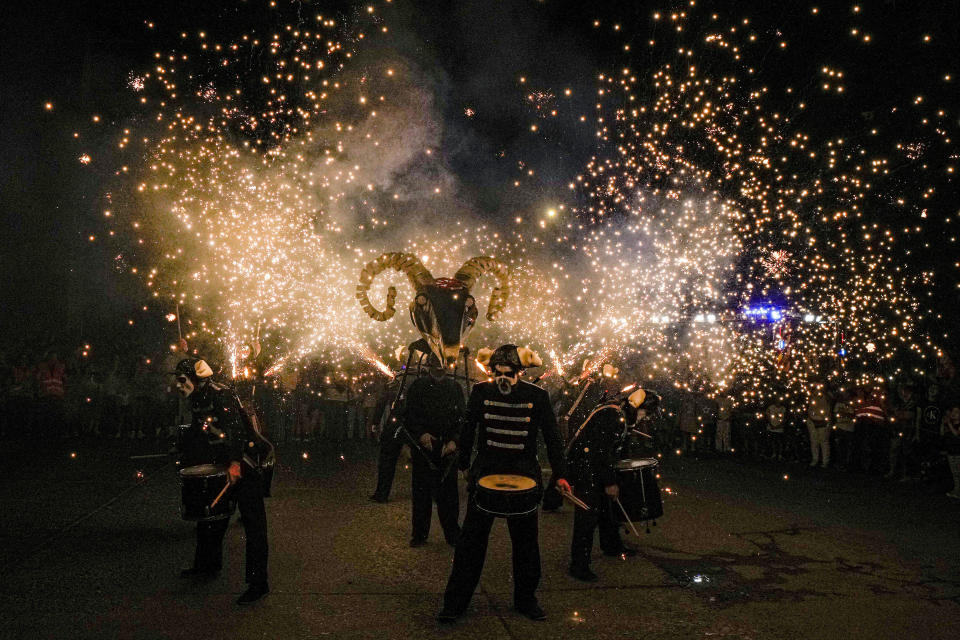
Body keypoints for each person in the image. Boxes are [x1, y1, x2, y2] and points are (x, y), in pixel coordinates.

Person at [438, 345, 569, 623]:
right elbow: (468, 428)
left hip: (524, 476)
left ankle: (526, 599)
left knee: (526, 545)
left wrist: (561, 474)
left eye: (508, 373)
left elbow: (553, 438)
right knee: (470, 544)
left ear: (521, 373)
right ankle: (455, 603)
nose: (502, 378)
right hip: (486, 474)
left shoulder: (538, 396)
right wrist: (463, 465)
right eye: (497, 372)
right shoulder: (480, 392)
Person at [174, 357, 270, 605]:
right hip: (222, 463)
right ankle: (206, 565)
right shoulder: (197, 397)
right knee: (211, 517)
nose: (178, 385)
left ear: (196, 379)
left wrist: (236, 463)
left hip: (245, 462)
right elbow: (200, 429)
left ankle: (258, 583)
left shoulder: (222, 394)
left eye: (182, 380)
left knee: (253, 523)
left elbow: (236, 430)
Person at [566, 386, 659, 582]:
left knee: (608, 509)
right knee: (588, 515)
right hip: (586, 467)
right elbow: (599, 451)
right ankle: (579, 565)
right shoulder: (612, 414)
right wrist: (609, 482)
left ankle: (611, 545)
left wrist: (618, 475)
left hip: (597, 465)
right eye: (647, 413)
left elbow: (618, 448)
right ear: (639, 407)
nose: (647, 418)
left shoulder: (624, 415)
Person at [404, 353, 465, 547]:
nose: (440, 369)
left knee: (449, 494)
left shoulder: (455, 388)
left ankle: (452, 533)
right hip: (424, 447)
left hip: (447, 447)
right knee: (421, 492)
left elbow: (462, 418)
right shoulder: (417, 387)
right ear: (429, 366)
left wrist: (455, 441)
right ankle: (420, 534)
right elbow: (409, 415)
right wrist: (421, 434)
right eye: (436, 365)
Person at [807, 386, 831, 468]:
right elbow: (810, 408)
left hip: (823, 421)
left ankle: (825, 461)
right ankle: (815, 459)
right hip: (812, 421)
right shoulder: (811, 397)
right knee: (814, 441)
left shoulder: (826, 397)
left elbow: (828, 408)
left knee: (823, 441)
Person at [941, 403, 960, 499]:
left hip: (958, 452)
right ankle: (956, 490)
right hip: (951, 451)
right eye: (953, 411)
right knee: (954, 473)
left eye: (957, 412)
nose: (954, 414)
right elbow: (943, 434)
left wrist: (949, 423)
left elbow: (956, 434)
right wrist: (944, 424)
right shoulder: (950, 424)